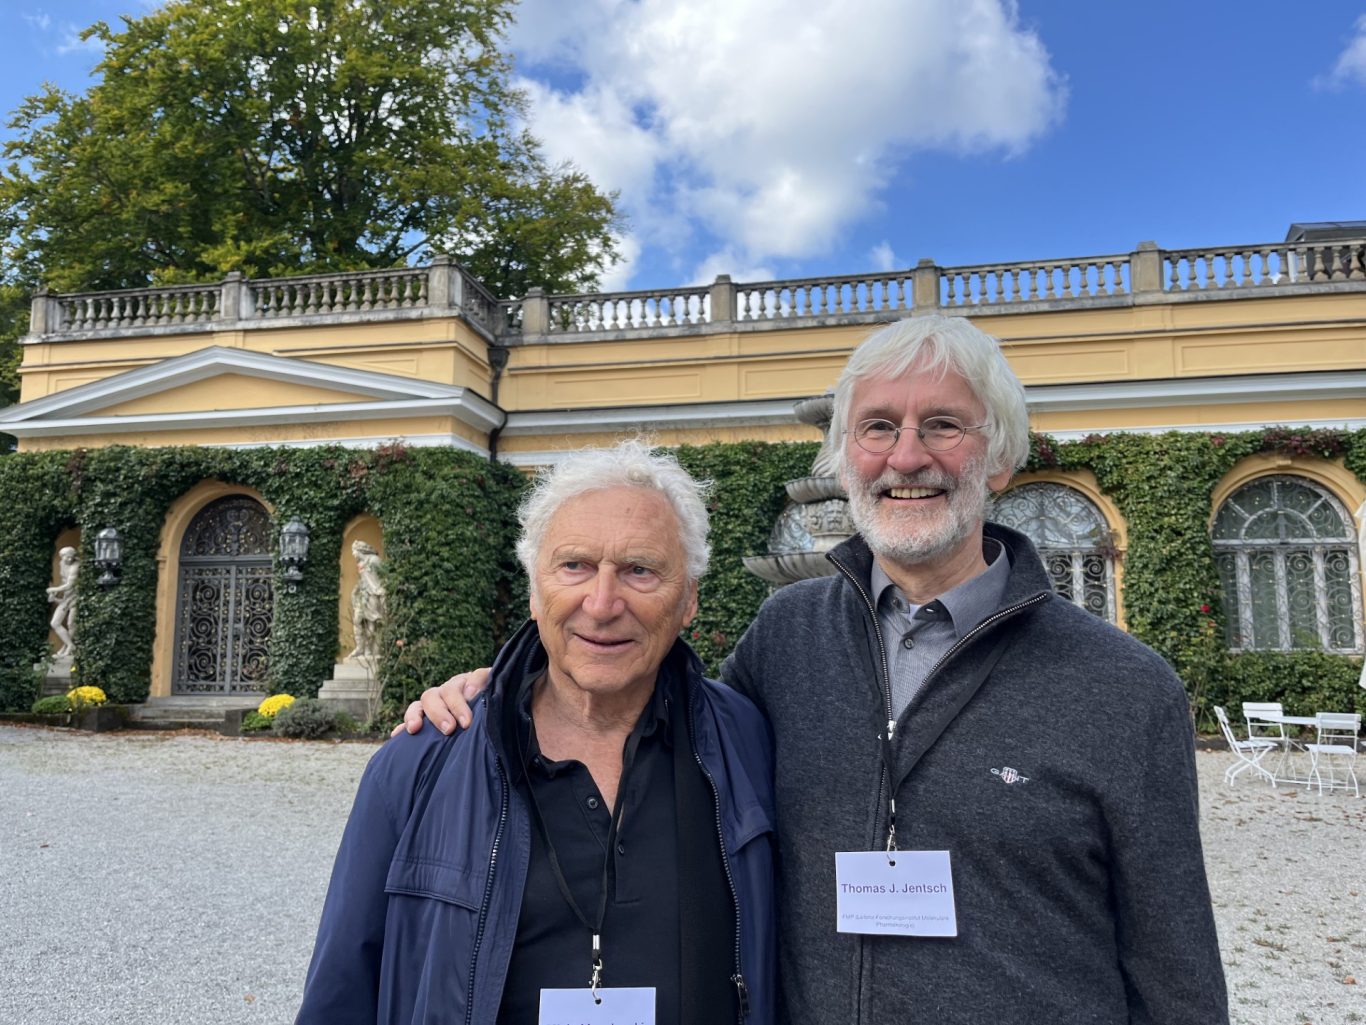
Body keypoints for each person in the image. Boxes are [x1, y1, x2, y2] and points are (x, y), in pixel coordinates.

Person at [403, 314, 1229, 1024]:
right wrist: (510, 685)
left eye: (943, 424)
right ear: (843, 459)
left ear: (1002, 458)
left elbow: (1177, 976)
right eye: (877, 428)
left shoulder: (1123, 688)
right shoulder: (787, 636)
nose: (907, 456)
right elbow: (651, 701)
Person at [298, 441, 776, 1025]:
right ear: (534, 590)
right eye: (574, 566)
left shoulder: (749, 742)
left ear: (689, 599)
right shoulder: (420, 763)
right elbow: (343, 992)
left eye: (640, 570)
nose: (602, 603)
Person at [346, 539, 386, 661]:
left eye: (354, 551)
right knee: (357, 620)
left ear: (360, 550)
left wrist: (382, 593)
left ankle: (369, 650)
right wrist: (356, 590)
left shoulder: (374, 560)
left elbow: (384, 576)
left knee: (371, 624)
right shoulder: (360, 563)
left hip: (374, 594)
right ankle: (359, 647)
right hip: (363, 595)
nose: (353, 554)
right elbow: (362, 579)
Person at [46, 546, 79, 658]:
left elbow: (70, 584)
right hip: (66, 597)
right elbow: (63, 581)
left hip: (76, 597)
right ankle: (70, 645)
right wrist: (55, 593)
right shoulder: (62, 563)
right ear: (62, 556)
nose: (69, 559)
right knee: (55, 623)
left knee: (71, 624)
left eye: (71, 557)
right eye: (66, 557)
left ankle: (67, 648)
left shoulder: (75, 566)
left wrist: (54, 589)